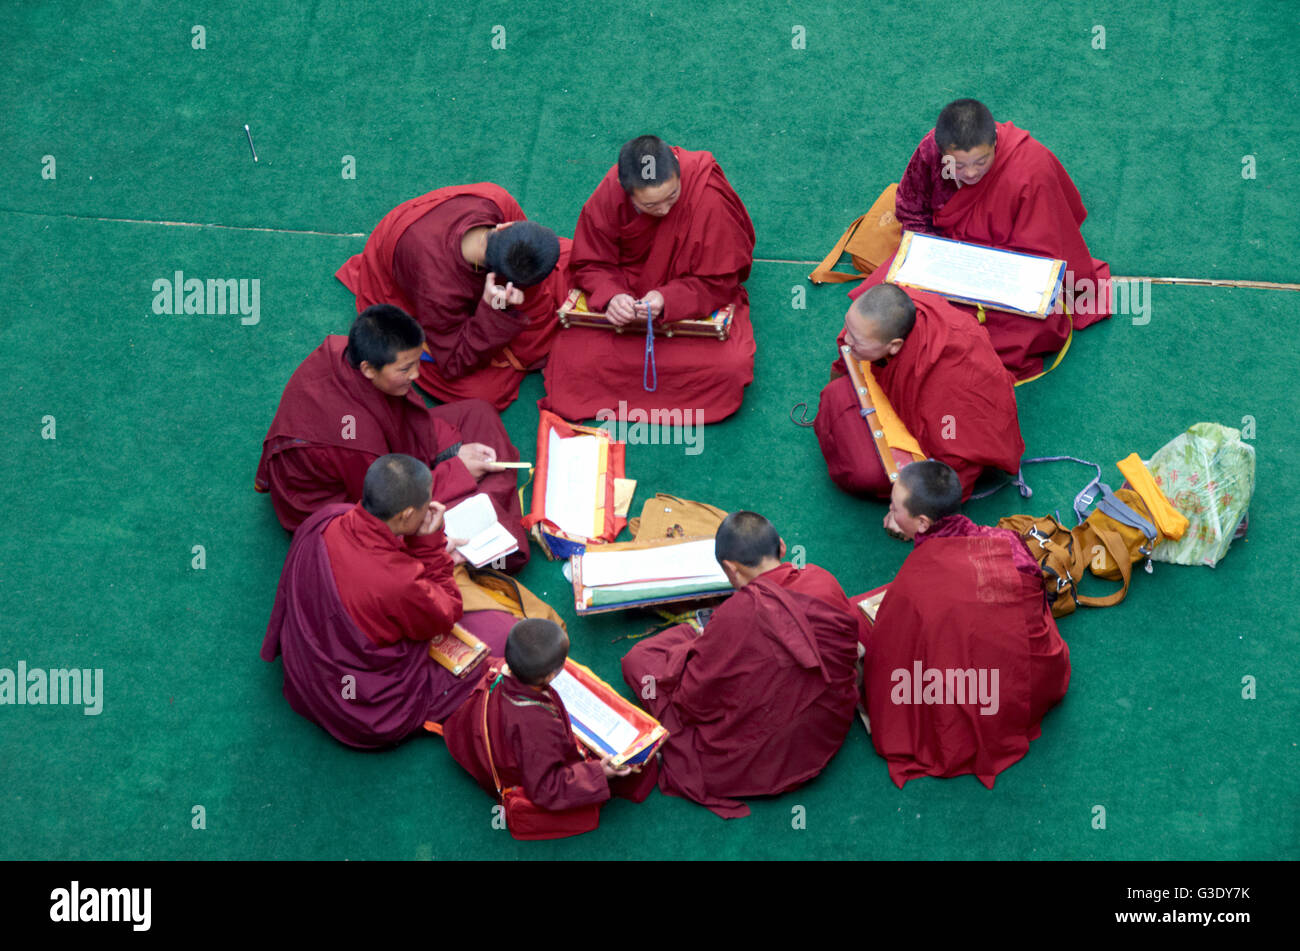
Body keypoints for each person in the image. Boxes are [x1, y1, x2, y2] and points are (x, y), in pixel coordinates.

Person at [620, 511, 862, 817]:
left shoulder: (735, 616)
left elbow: (690, 703)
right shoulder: (822, 580)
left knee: (639, 662)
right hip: (824, 734)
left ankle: (697, 637)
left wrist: (695, 649)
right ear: (782, 548)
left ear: (730, 568)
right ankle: (700, 639)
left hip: (757, 761)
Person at [261, 454, 508, 749]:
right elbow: (447, 612)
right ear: (405, 515)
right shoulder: (399, 583)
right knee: (501, 632)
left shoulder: (327, 518)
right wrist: (430, 549)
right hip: (366, 709)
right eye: (425, 504)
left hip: (306, 674)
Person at [851, 99, 1111, 380]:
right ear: (942, 152)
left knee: (1021, 331)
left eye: (981, 161)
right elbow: (911, 208)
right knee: (887, 307)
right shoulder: (930, 151)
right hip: (945, 254)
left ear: (995, 143)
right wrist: (929, 260)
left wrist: (992, 275)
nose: (971, 173)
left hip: (1005, 267)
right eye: (959, 166)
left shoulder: (1031, 167)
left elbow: (1045, 248)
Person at [255, 304, 529, 570]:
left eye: (416, 362)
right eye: (405, 370)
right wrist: (457, 470)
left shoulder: (346, 350)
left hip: (377, 449)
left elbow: (405, 413)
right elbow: (383, 502)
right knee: (454, 506)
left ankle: (490, 515)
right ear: (368, 369)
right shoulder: (354, 439)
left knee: (478, 412)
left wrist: (450, 450)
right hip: (345, 505)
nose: (417, 374)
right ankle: (494, 529)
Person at [862, 460, 1071, 788]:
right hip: (1034, 682)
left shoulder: (917, 582)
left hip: (983, 692)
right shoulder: (1006, 542)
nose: (888, 513)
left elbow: (893, 645)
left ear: (922, 523)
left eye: (893, 508)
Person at [541, 135, 756, 423]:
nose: (665, 210)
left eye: (672, 196)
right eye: (651, 206)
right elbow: (591, 261)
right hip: (629, 294)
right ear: (625, 191)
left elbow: (724, 279)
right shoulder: (610, 193)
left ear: (678, 172)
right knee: (569, 359)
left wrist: (668, 299)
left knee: (730, 366)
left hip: (689, 299)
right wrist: (612, 296)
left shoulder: (707, 194)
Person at [335, 183, 569, 410]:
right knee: (486, 393)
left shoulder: (499, 199)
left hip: (454, 254)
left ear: (504, 227)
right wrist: (492, 310)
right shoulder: (436, 287)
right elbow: (454, 362)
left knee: (563, 258)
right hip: (407, 267)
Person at [443, 618, 656, 836]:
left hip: (499, 742)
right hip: (523, 771)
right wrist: (599, 773)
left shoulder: (499, 668)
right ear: (550, 676)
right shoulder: (535, 725)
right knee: (635, 773)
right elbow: (546, 787)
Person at [815, 283, 1024, 502]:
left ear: (895, 346)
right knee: (835, 394)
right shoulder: (892, 311)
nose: (846, 341)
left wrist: (918, 508)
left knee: (866, 474)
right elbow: (849, 347)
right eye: (847, 327)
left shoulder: (948, 383)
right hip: (903, 393)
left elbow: (955, 458)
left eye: (856, 340)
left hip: (951, 426)